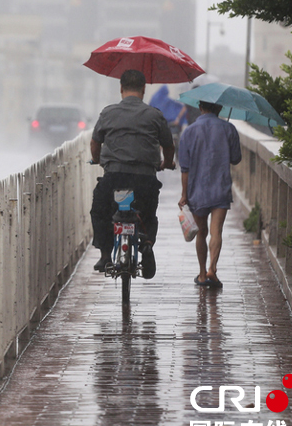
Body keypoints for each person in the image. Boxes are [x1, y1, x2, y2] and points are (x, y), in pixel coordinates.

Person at [90, 69, 175, 278]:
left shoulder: (108, 113)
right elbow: (168, 145)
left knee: (100, 210)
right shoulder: (155, 115)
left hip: (114, 178)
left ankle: (105, 255)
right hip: (145, 180)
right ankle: (146, 243)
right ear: (144, 90)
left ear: (121, 88)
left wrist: (100, 160)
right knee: (148, 215)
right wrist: (167, 163)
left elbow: (95, 142)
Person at [177, 100, 242, 288]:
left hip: (197, 189)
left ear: (200, 107)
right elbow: (236, 159)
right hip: (220, 187)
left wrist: (184, 194)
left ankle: (202, 273)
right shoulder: (228, 128)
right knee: (216, 231)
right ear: (220, 108)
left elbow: (185, 168)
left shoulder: (189, 131)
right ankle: (213, 269)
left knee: (201, 233)